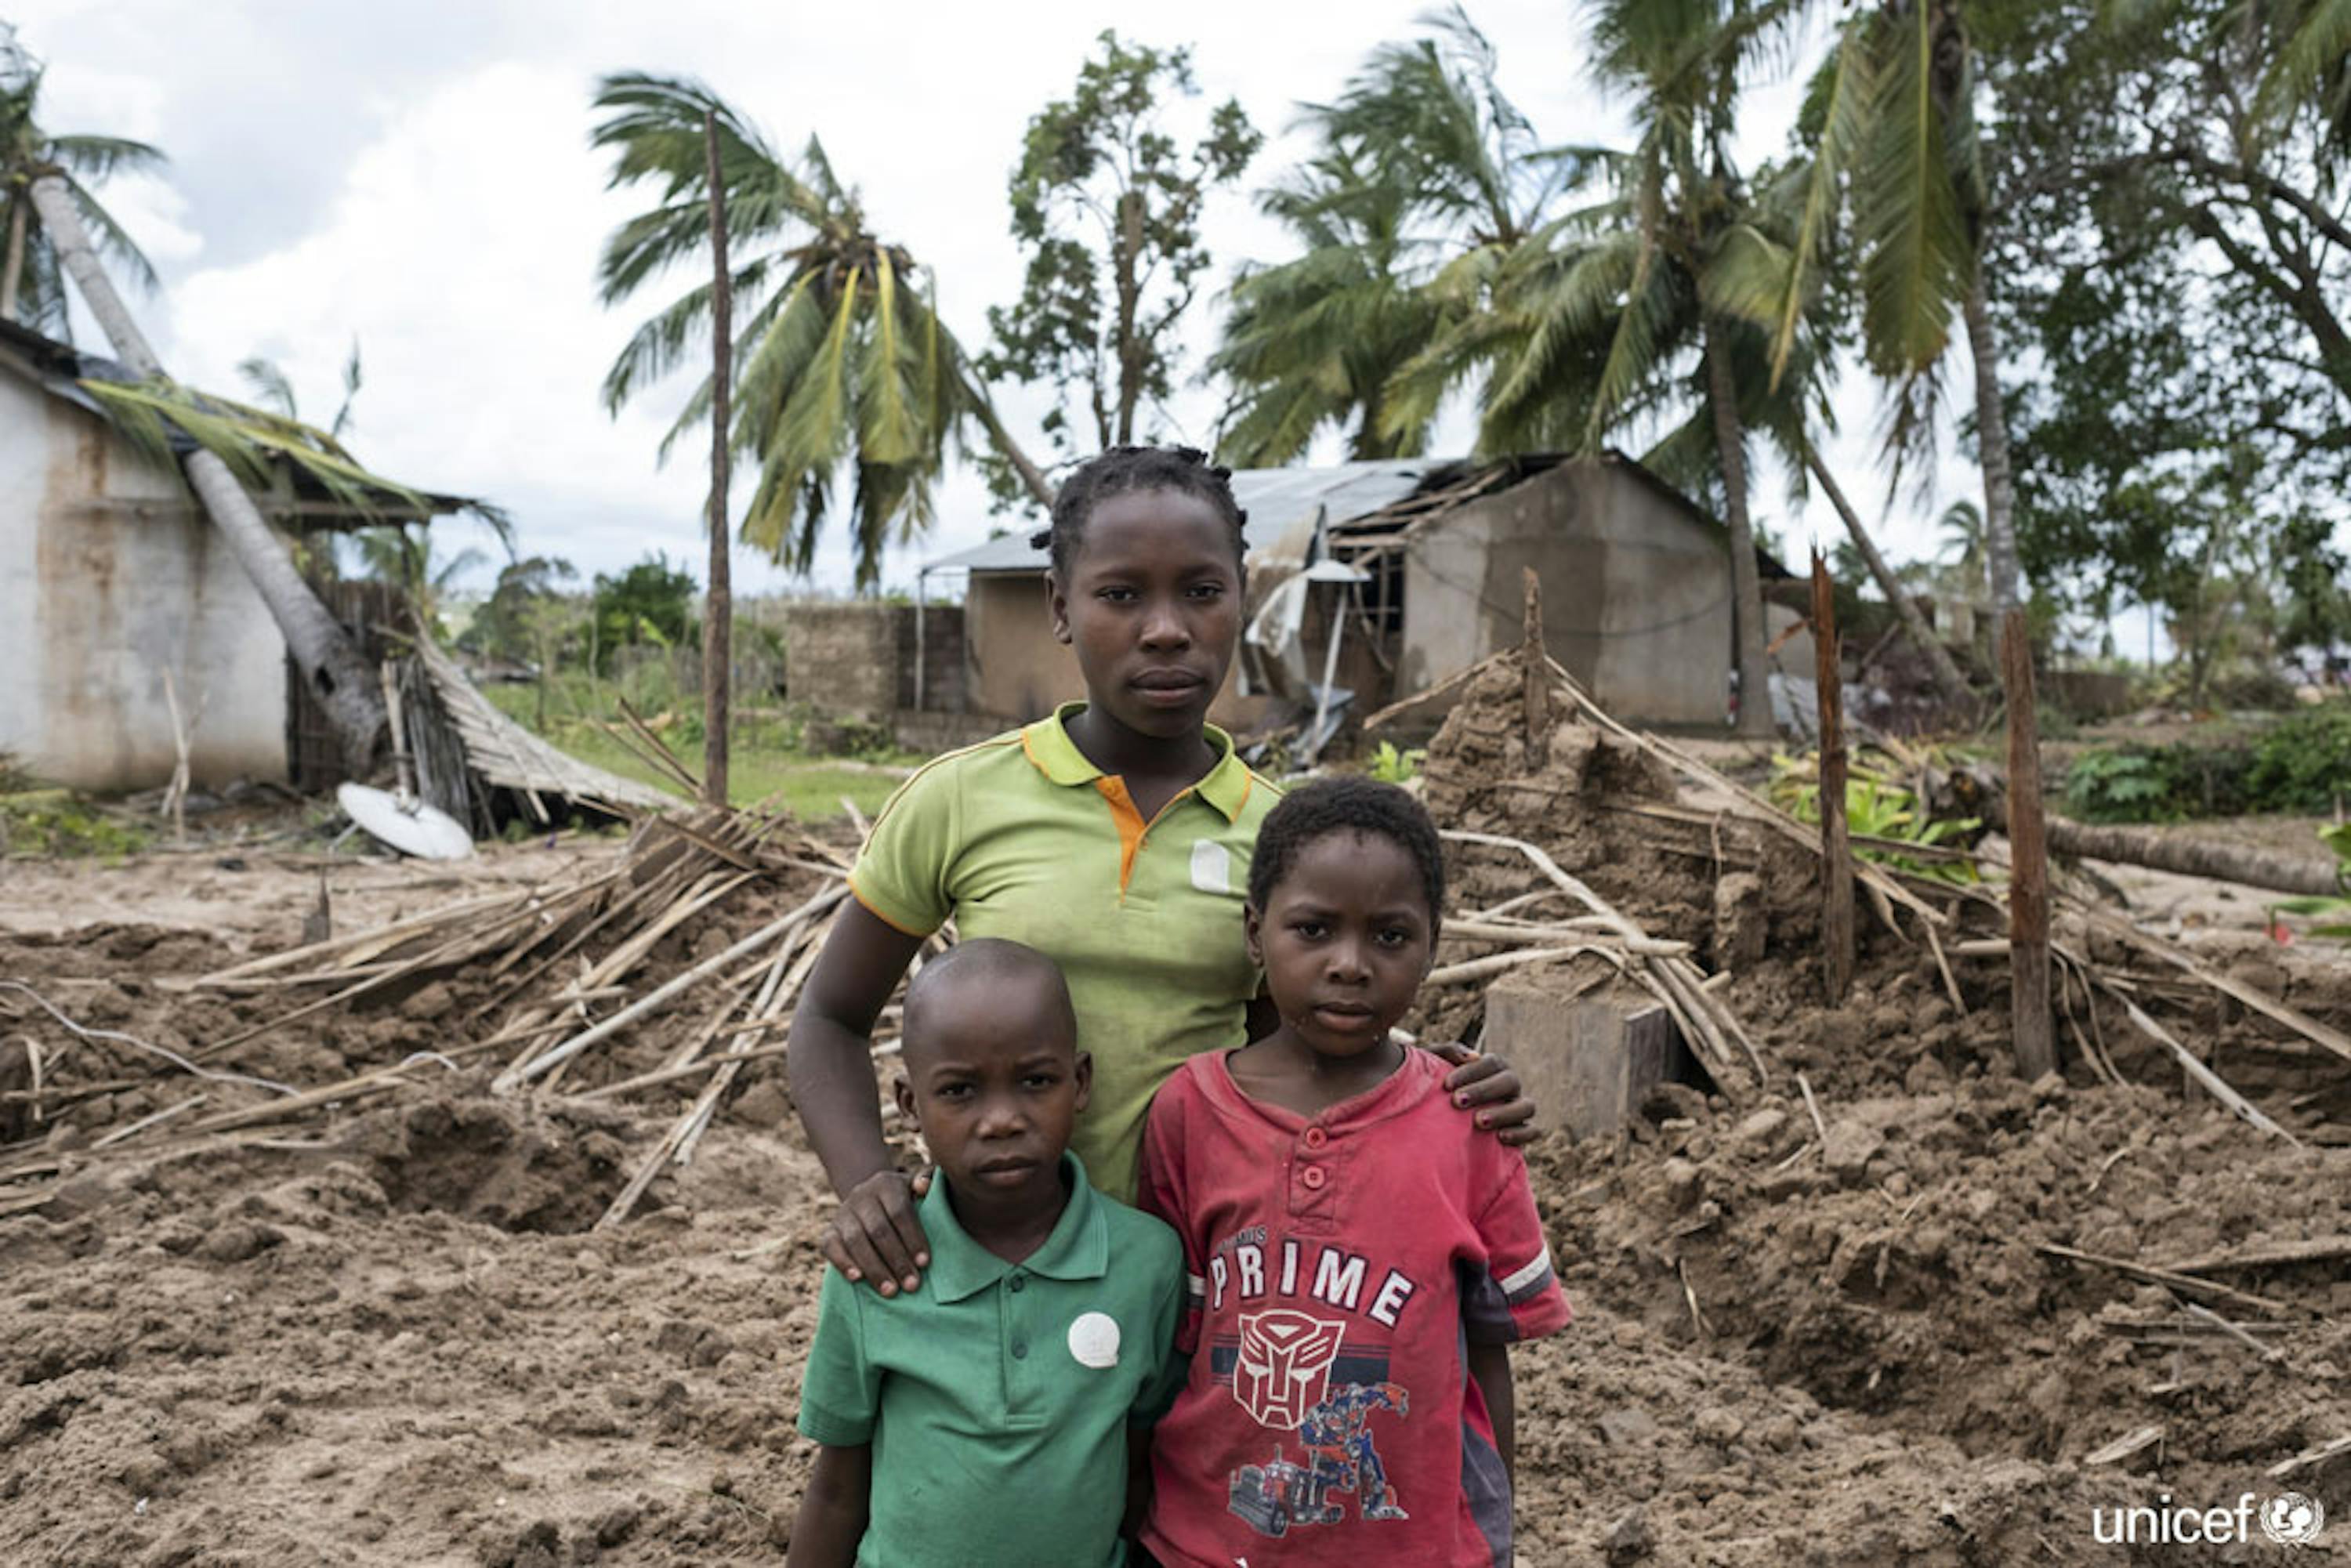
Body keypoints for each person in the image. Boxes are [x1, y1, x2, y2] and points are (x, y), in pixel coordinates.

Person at [786, 446, 1534, 1298]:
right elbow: (828, 1018)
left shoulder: (1282, 839)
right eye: (1121, 594)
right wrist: (867, 1185)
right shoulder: (960, 800)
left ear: (1243, 603)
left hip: (1204, 1279)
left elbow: (1293, 1051)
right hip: (994, 1273)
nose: (1167, 627)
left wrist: (1429, 1084)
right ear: (1060, 608)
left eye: (1202, 591)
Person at [1136, 777, 1570, 1568]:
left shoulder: (1468, 1121)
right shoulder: (1188, 1114)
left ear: (1434, 945)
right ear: (1254, 933)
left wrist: (1491, 1542)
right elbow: (1173, 1347)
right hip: (1209, 1539)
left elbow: (1488, 1357)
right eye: (1313, 929)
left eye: (1390, 937)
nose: (1350, 965)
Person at [786, 940, 1184, 1568]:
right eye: (960, 1090)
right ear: (910, 1104)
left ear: (1079, 1082)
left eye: (1035, 1081)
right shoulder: (878, 1266)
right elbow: (837, 1489)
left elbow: (1139, 1470)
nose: (1001, 1119)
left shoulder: (1148, 1265)